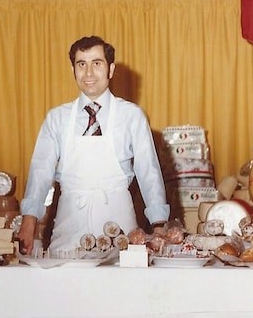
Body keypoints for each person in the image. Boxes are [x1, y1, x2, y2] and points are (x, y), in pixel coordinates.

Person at [18, 35, 170, 255]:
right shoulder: (57, 118)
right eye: (82, 64)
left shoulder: (131, 116)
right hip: (69, 225)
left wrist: (158, 224)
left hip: (120, 229)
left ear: (110, 69)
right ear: (73, 71)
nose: (88, 73)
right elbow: (40, 171)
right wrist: (29, 221)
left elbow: (148, 171)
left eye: (96, 63)